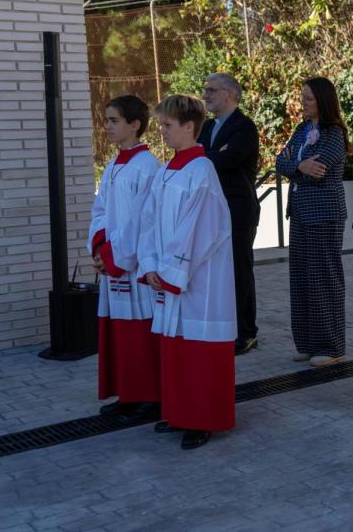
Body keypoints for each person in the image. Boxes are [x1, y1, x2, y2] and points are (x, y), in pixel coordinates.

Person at [138, 94, 236, 450]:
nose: (161, 132)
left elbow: (200, 232)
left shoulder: (202, 171)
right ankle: (179, 411)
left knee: (199, 351)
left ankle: (204, 417)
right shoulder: (166, 170)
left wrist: (168, 271)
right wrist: (149, 264)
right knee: (175, 348)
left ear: (189, 127)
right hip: (170, 276)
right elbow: (147, 221)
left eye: (167, 126)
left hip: (199, 281)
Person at [89, 95, 161, 422]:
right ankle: (128, 394)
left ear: (135, 125)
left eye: (113, 120)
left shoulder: (147, 167)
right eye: (106, 120)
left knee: (140, 332)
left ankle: (148, 396)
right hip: (113, 261)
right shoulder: (115, 164)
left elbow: (141, 222)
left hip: (133, 267)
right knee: (120, 331)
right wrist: (100, 247)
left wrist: (114, 255)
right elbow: (101, 210)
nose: (107, 127)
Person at [276, 77, 352, 367]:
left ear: (322, 100)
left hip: (324, 215)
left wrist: (296, 167)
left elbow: (317, 169)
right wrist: (297, 165)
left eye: (308, 98)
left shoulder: (334, 133)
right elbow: (281, 162)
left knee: (324, 279)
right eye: (302, 97)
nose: (303, 102)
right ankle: (307, 342)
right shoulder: (301, 130)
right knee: (302, 279)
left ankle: (331, 346)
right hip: (300, 213)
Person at [198, 73, 261, 356]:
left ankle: (246, 332)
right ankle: (223, 325)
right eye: (205, 89)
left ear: (230, 95)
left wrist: (206, 155)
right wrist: (210, 153)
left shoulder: (244, 127)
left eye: (211, 89)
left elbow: (226, 159)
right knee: (217, 272)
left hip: (237, 209)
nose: (205, 94)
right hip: (210, 210)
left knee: (238, 271)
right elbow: (194, 155)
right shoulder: (208, 126)